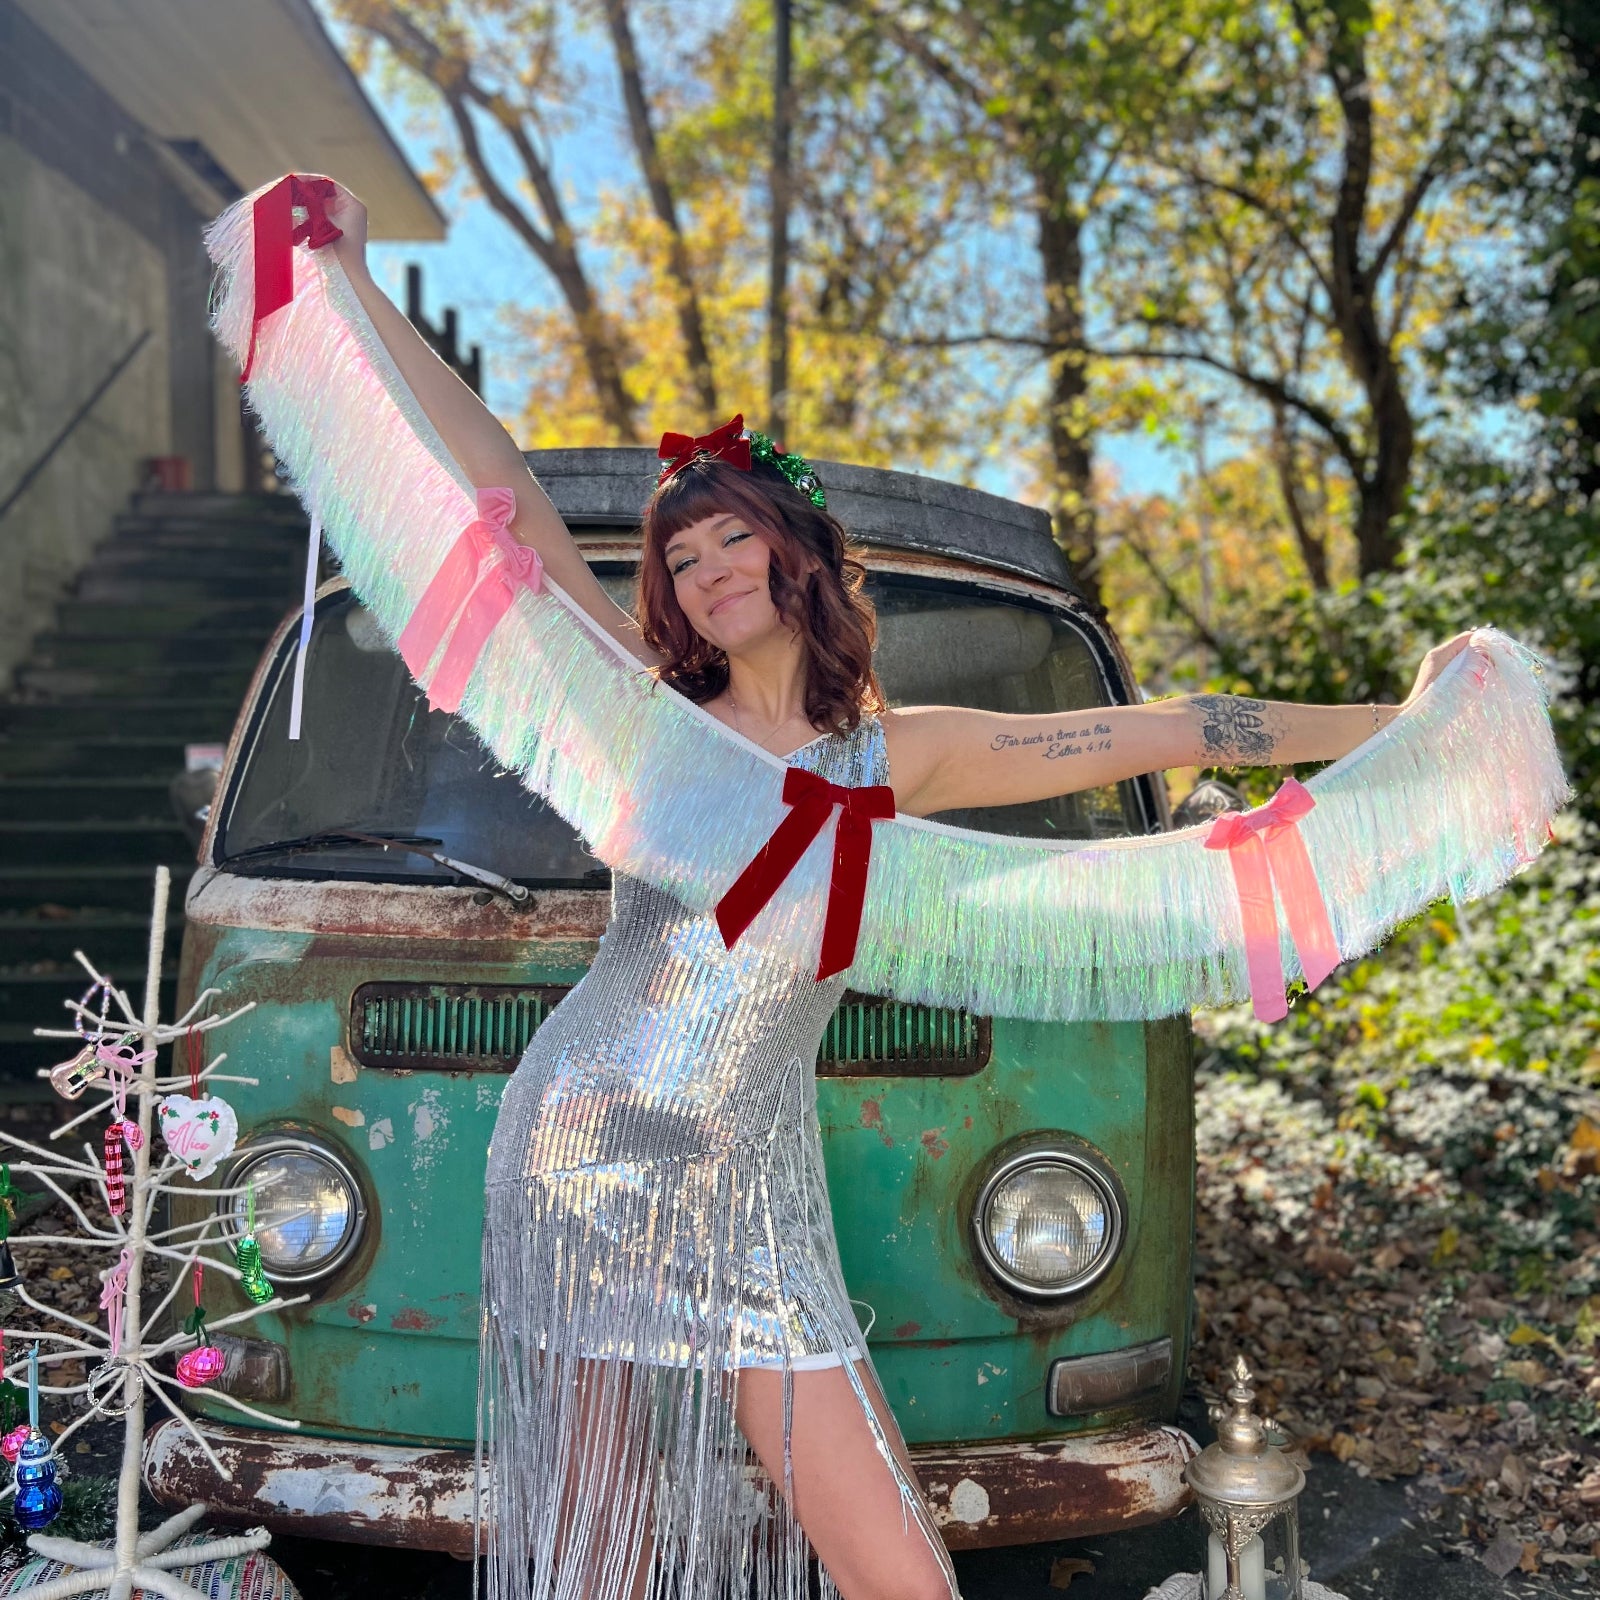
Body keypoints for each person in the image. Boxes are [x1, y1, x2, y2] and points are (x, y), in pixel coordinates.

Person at [214, 176, 1543, 1600]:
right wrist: (349, 286)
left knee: (903, 1577)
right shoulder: (639, 718)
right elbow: (506, 500)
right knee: (596, 1560)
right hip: (579, 1156)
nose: (709, 569)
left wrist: (1384, 730)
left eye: (734, 538)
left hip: (752, 1197)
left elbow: (1158, 728)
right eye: (682, 554)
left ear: (795, 554)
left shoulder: (894, 759)